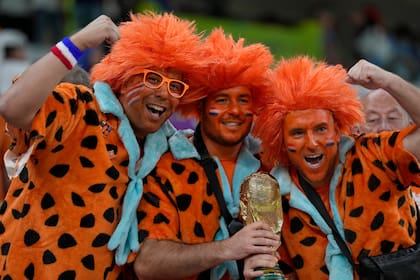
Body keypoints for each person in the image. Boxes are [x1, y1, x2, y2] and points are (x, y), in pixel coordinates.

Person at [0, 12, 207, 279]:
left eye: (175, 86)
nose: (164, 93)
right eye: (152, 79)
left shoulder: (170, 152)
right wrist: (76, 44)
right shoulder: (81, 108)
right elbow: (12, 108)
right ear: (123, 79)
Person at [245, 56, 420, 279]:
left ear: (338, 132)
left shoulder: (373, 155)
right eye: (298, 133)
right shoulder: (270, 194)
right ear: (282, 142)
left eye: (320, 129)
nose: (312, 143)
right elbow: (277, 270)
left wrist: (388, 81)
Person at [132, 28, 280, 280]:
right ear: (200, 107)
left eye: (243, 100)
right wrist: (227, 249)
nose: (234, 110)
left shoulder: (270, 168)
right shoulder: (166, 166)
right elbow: (147, 263)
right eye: (221, 100)